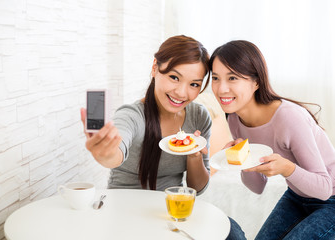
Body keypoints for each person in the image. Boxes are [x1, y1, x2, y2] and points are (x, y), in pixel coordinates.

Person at [81, 35, 246, 239]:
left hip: (171, 213)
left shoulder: (199, 116)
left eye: (194, 84)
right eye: (174, 78)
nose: (181, 92)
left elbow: (197, 188)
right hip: (126, 212)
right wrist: (104, 152)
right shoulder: (132, 115)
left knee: (233, 232)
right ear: (154, 68)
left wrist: (194, 155)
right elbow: (115, 153)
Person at [210, 40, 335, 239]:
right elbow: (257, 187)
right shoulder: (235, 119)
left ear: (256, 82)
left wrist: (286, 169)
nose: (221, 88)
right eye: (216, 78)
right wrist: (242, 161)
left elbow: (324, 188)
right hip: (298, 195)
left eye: (232, 78)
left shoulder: (288, 118)